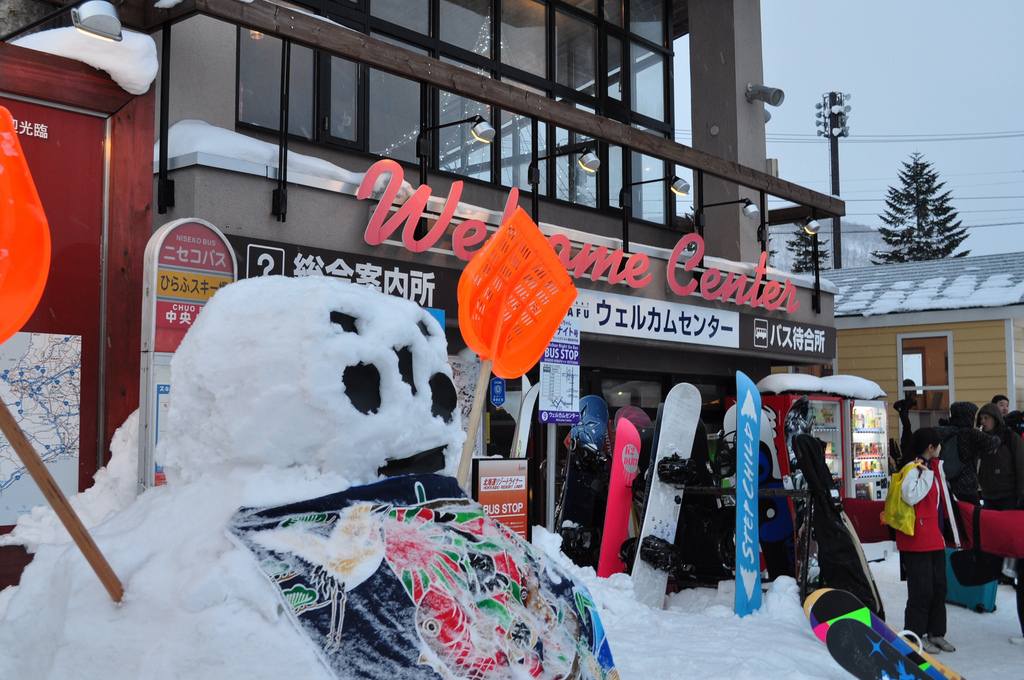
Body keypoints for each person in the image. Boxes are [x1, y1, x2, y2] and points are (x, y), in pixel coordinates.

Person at [896, 427, 960, 654]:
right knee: (921, 591)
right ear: (930, 447)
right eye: (938, 444)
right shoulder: (913, 468)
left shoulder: (933, 468)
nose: (940, 448)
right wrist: (926, 475)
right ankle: (914, 635)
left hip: (934, 538)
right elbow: (910, 495)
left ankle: (936, 634)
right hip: (916, 540)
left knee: (939, 588)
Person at [934, 402, 1000, 505]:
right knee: (972, 518)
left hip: (948, 485)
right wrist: (995, 438)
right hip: (967, 487)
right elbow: (992, 443)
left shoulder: (947, 432)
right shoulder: (970, 433)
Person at [975, 403, 1024, 510]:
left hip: (1008, 494)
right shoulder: (981, 440)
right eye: (981, 418)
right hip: (988, 493)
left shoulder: (1010, 438)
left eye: (986, 418)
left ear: (995, 419)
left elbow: (1021, 465)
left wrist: (1021, 492)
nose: (983, 421)